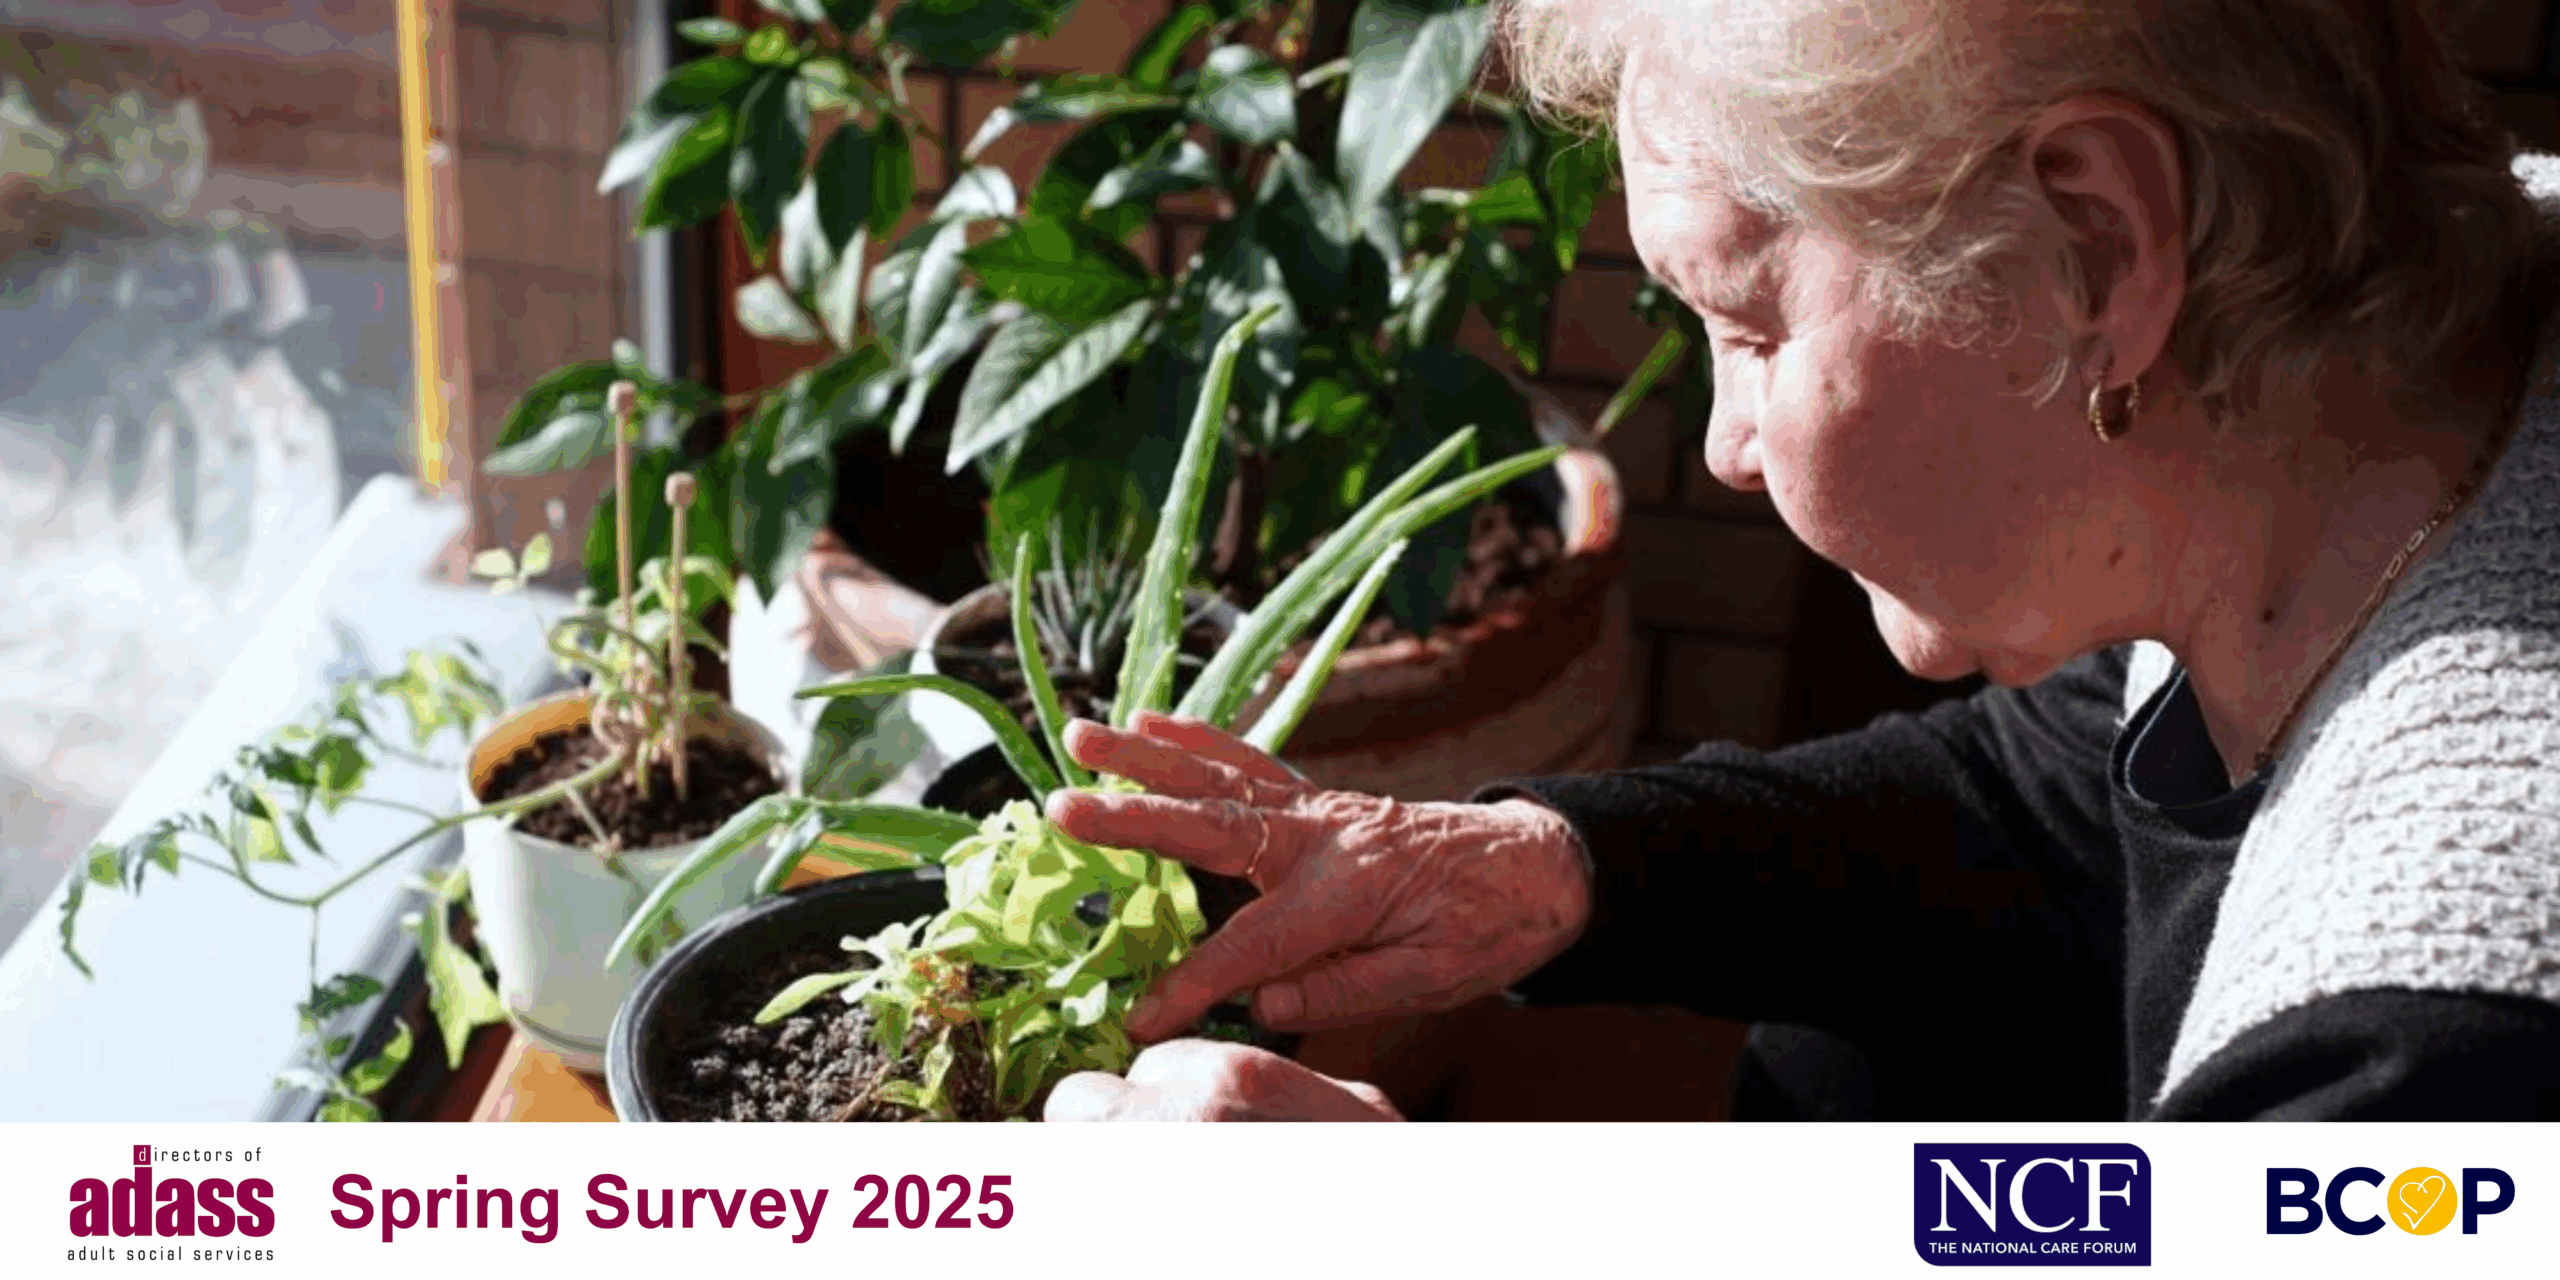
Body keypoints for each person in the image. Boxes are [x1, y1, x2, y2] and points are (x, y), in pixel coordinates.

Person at [1043, 0, 2560, 1121]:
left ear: (2095, 248)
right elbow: (2061, 805)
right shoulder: (2403, 405)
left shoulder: (2434, 1048)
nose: (1723, 442)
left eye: (1747, 325)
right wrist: (1554, 864)